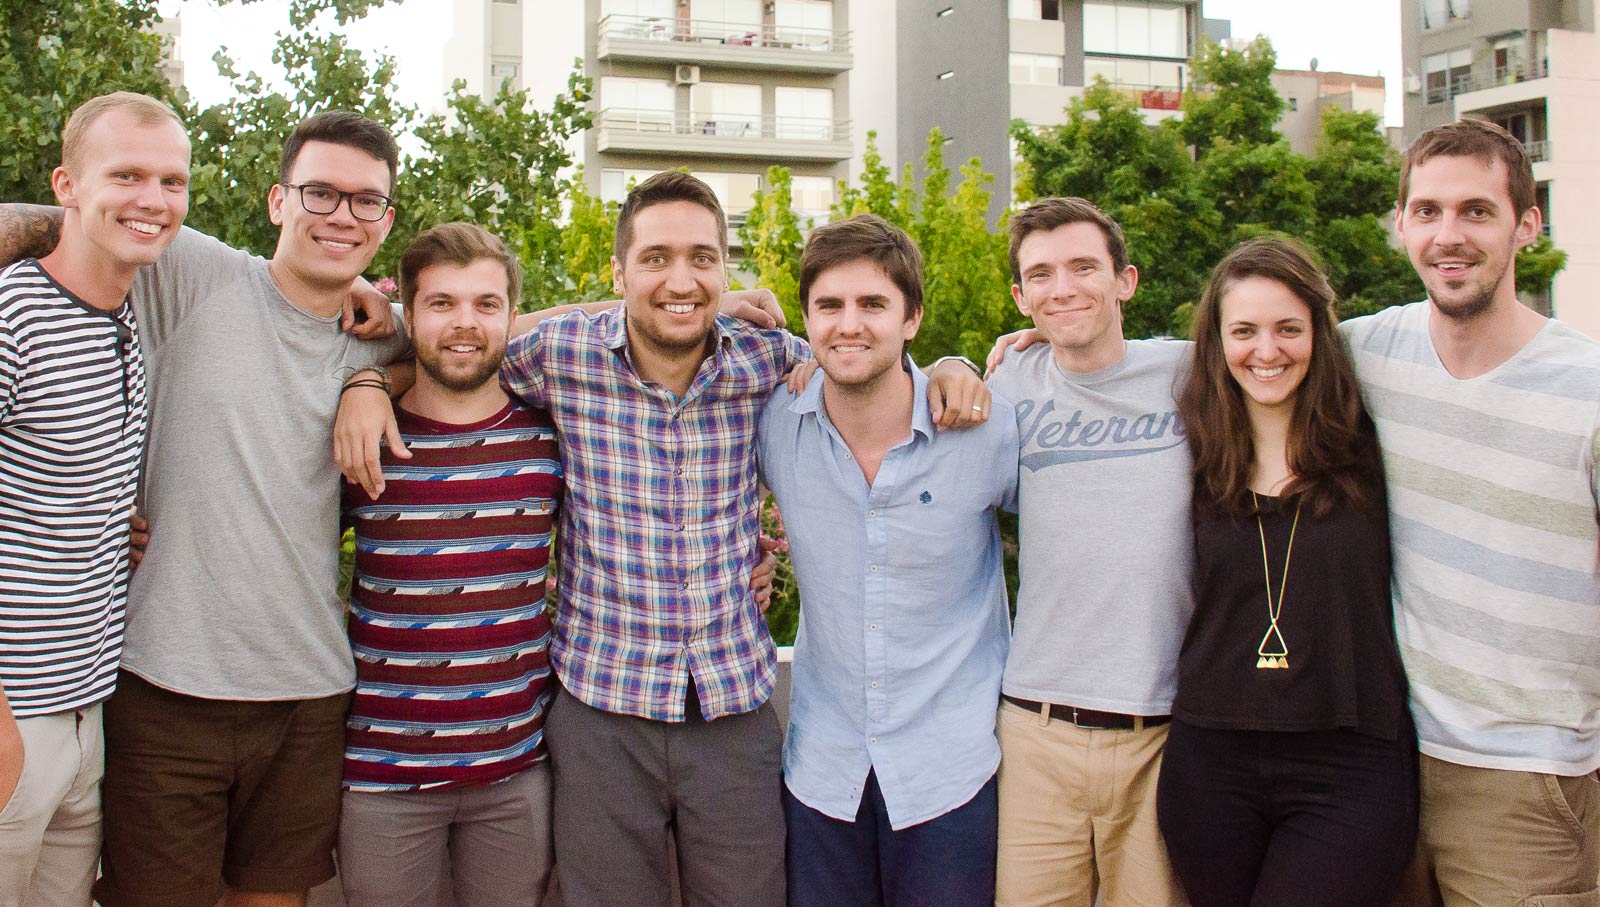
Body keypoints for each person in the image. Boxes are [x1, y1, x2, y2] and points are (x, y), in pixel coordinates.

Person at [334, 170, 986, 907]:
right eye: (656, 258)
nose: (681, 278)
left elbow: (870, 360)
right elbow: (461, 350)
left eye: (702, 259)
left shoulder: (771, 363)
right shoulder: (560, 355)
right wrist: (369, 383)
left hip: (733, 711)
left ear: (725, 270)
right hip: (599, 715)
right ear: (619, 275)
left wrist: (952, 368)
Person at [0, 109, 409, 907]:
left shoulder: (379, 338)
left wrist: (373, 376)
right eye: (320, 193)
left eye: (365, 201)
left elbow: (475, 341)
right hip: (161, 683)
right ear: (278, 201)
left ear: (386, 220)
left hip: (308, 689)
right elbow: (90, 217)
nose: (341, 215)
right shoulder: (194, 274)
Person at [1341, 119, 1600, 907]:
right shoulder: (1367, 354)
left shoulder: (1588, 390)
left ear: (1527, 224)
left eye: (1476, 211)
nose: (1448, 235)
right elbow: (1237, 357)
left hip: (1530, 781)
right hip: (1386, 767)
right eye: (1428, 211)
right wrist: (1041, 347)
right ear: (1401, 224)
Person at [758, 214, 1017, 907]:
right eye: (830, 306)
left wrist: (965, 363)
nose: (849, 325)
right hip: (823, 774)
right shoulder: (775, 422)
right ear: (807, 320)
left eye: (873, 304)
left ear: (913, 318)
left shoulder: (987, 428)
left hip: (951, 777)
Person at [1156, 236, 1417, 905]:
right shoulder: (1184, 447)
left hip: (1351, 758)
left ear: (1320, 335)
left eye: (1288, 329)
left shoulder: (1378, 442)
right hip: (1210, 762)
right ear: (1216, 341)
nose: (1266, 350)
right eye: (1244, 331)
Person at [336, 223, 560, 907]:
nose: (465, 322)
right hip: (382, 774)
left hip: (516, 770)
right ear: (408, 314)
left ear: (512, 317)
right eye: (442, 303)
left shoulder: (549, 439)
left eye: (486, 304)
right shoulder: (363, 437)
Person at [0, 91, 188, 907]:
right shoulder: (13, 315)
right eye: (127, 175)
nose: (154, 199)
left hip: (87, 712)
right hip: (15, 717)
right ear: (66, 186)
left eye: (172, 181)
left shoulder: (129, 316)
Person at [985, 197, 1192, 907]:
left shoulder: (1191, 374)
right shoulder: (1008, 385)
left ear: (1124, 280)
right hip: (1035, 728)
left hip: (1163, 732)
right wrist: (953, 361)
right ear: (1021, 297)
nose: (1062, 287)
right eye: (1040, 275)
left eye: (1083, 267)